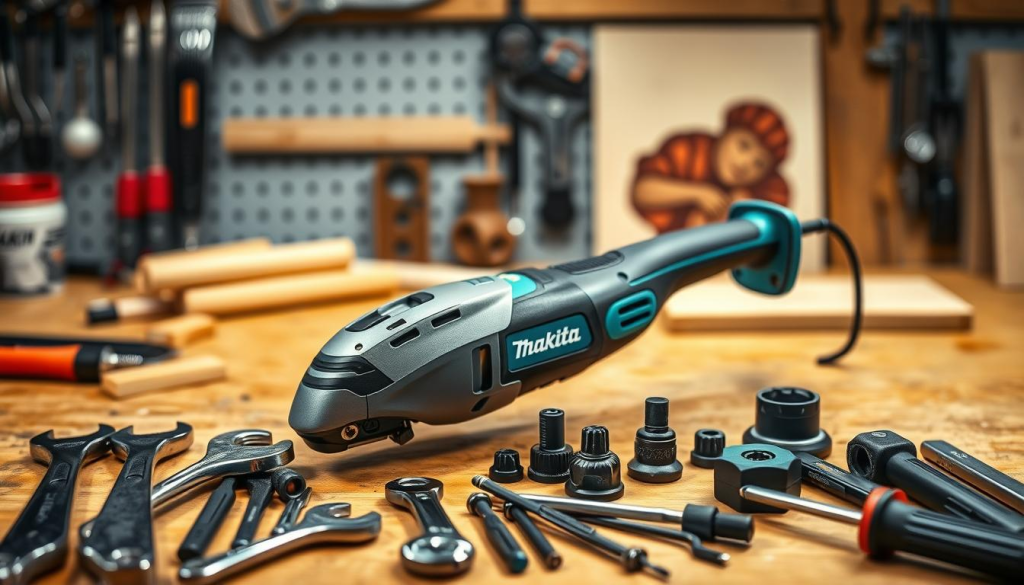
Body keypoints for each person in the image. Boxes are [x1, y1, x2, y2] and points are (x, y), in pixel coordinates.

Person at [631, 102, 791, 231]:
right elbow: (642, 191)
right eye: (743, 145)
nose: (744, 164)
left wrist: (742, 212)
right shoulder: (689, 148)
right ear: (725, 133)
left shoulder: (770, 191)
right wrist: (698, 193)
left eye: (759, 163)